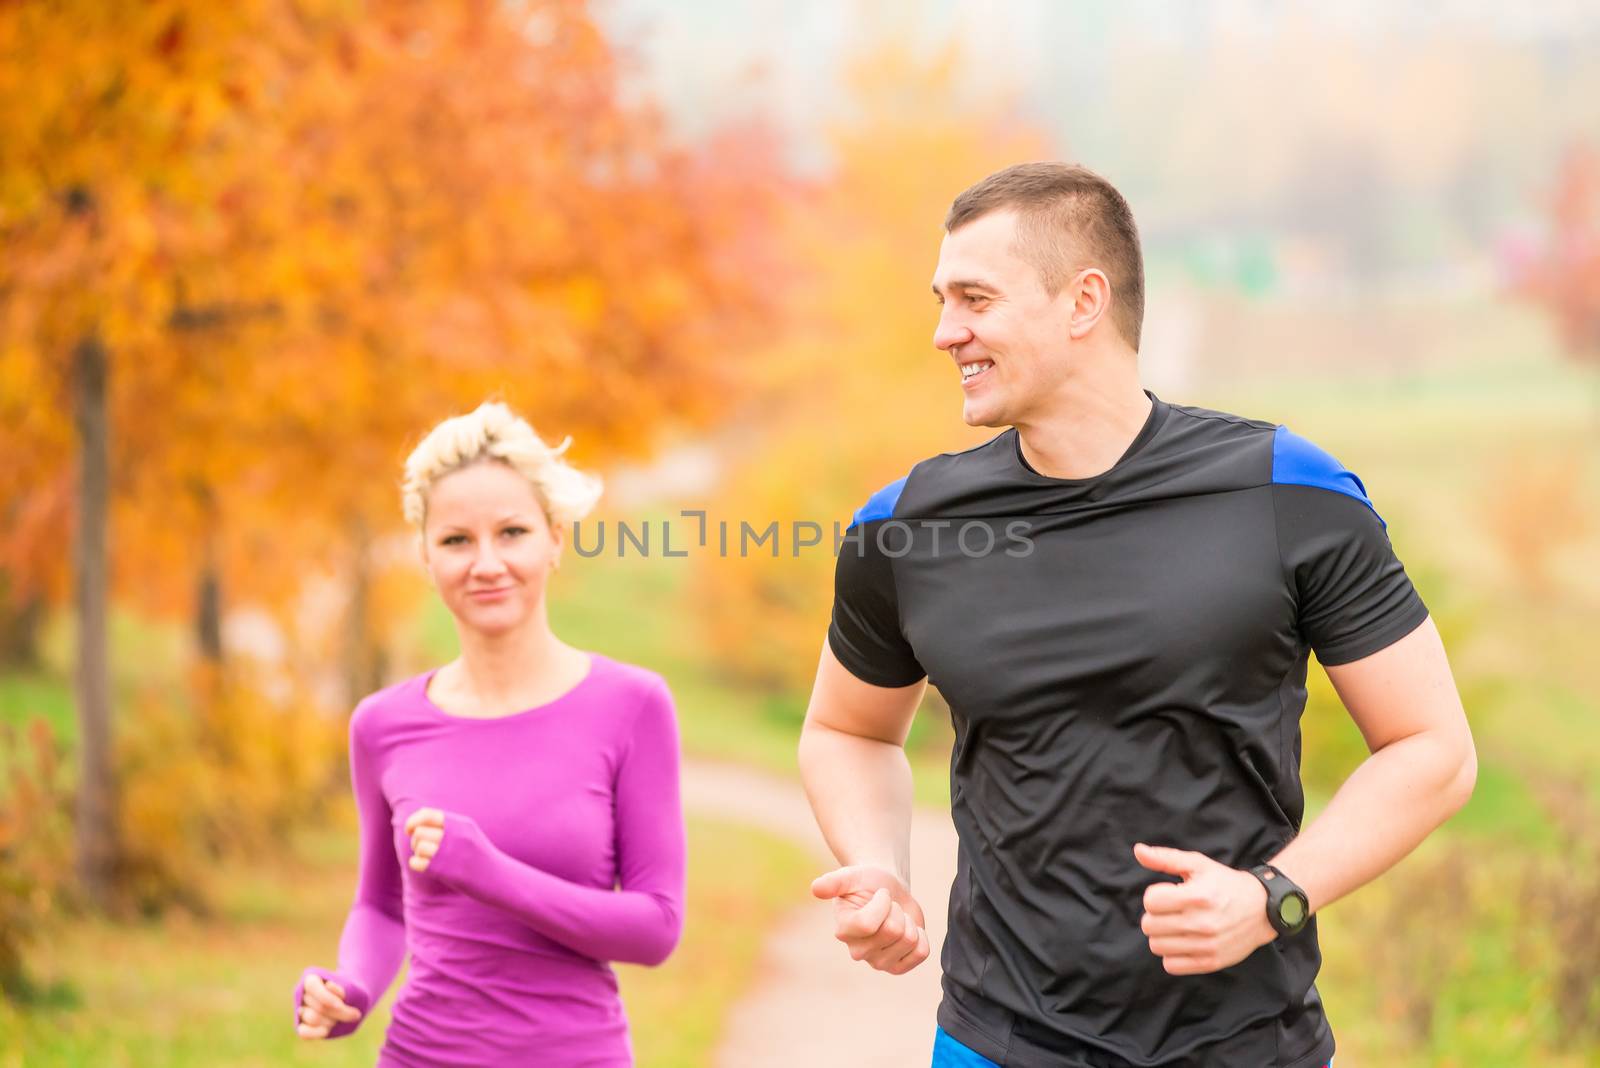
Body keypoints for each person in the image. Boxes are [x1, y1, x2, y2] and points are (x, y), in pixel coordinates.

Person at [798, 162, 1476, 1068]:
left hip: (1245, 1043)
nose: (943, 331)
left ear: (1084, 302)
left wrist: (1273, 896)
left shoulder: (1287, 490)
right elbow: (848, 730)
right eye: (941, 299)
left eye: (974, 299)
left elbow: (1434, 748)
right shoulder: (904, 529)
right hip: (1000, 1038)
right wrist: (880, 863)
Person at [292, 401, 686, 1067]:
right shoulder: (382, 724)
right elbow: (382, 907)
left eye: (511, 532)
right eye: (455, 540)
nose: (486, 563)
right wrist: (352, 988)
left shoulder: (632, 705)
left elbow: (655, 928)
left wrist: (489, 872)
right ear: (424, 554)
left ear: (555, 537)